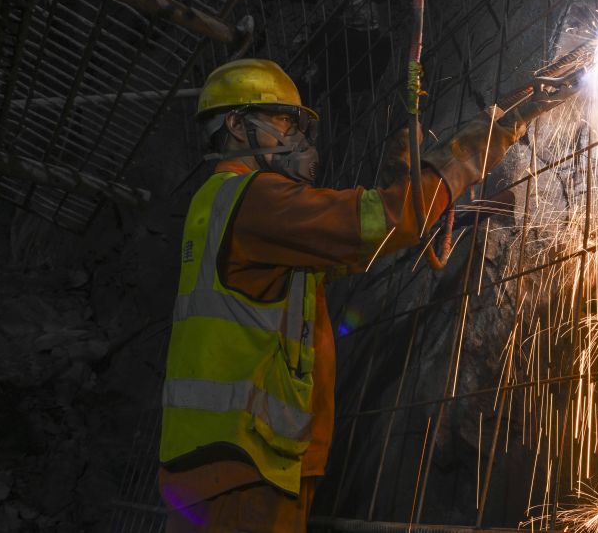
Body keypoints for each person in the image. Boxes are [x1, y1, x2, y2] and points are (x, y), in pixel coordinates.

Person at [157, 58, 551, 532]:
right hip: (241, 469)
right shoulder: (253, 199)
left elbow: (358, 246)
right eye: (284, 121)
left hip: (230, 463)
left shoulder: (220, 203)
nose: (298, 138)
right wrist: (485, 140)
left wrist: (405, 179)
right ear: (238, 126)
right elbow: (387, 221)